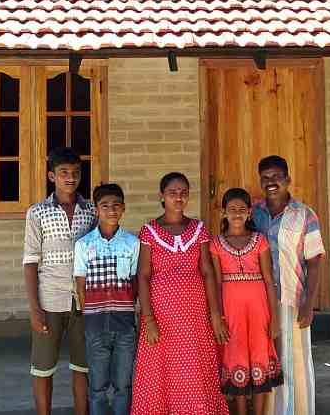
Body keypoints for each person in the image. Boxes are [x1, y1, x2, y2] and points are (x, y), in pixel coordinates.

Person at [131, 172, 230, 415]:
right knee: (160, 371)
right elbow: (143, 276)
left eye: (184, 192)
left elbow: (207, 271)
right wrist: (148, 319)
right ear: (161, 196)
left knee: (194, 369)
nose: (179, 197)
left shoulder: (198, 228)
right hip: (161, 318)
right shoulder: (149, 231)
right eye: (173, 192)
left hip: (195, 316)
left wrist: (215, 314)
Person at [23, 147, 96, 415]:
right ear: (51, 176)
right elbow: (30, 262)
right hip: (50, 299)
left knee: (82, 366)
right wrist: (34, 309)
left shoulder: (91, 210)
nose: (70, 178)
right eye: (64, 172)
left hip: (83, 300)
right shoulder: (37, 212)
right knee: (43, 367)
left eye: (76, 173)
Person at [252, 155, 326, 415]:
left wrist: (309, 303)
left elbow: (315, 262)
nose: (271, 182)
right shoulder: (254, 214)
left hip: (293, 299)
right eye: (266, 178)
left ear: (287, 180)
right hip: (260, 301)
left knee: (295, 360)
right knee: (268, 360)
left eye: (277, 177)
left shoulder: (305, 215)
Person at [210, 188, 283, 415]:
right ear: (223, 213)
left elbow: (269, 279)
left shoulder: (259, 241)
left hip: (259, 309)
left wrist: (274, 318)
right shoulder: (216, 244)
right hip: (231, 311)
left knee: (260, 355)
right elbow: (217, 283)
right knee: (236, 356)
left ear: (250, 212)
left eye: (242, 209)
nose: (237, 214)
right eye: (232, 210)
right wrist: (219, 317)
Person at [74, 183, 140, 415]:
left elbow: (135, 283)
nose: (111, 210)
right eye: (105, 206)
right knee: (98, 387)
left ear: (123, 209)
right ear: (96, 210)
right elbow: (81, 286)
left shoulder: (132, 243)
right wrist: (88, 316)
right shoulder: (84, 245)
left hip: (124, 326)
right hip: (95, 325)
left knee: (123, 385)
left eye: (116, 205)